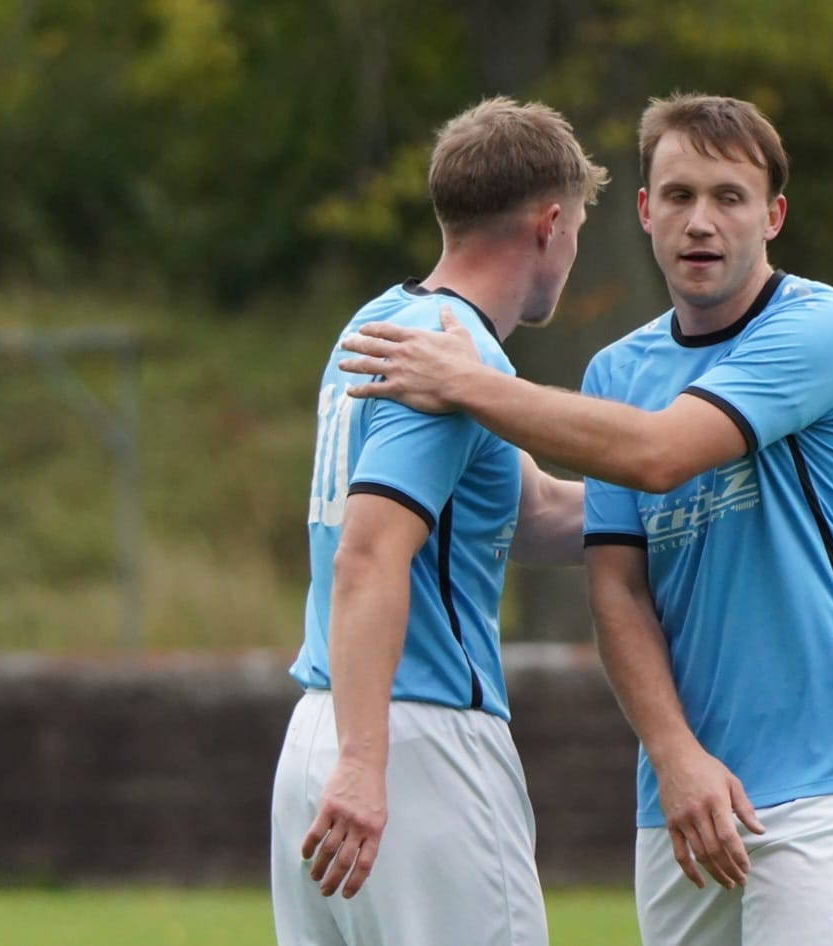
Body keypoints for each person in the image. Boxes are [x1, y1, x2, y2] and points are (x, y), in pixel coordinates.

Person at [338, 92, 833, 946]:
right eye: (679, 195)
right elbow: (616, 589)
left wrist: (467, 383)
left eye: (729, 197)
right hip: (682, 791)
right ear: (645, 212)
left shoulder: (819, 327)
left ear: (773, 216)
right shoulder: (616, 372)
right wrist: (674, 756)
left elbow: (659, 455)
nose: (701, 221)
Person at [269, 96, 608, 946]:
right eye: (577, 230)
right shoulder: (456, 359)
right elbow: (368, 557)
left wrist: (695, 505)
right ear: (550, 224)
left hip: (322, 728)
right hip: (413, 738)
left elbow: (531, 513)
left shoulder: (382, 323)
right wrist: (365, 761)